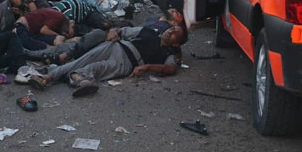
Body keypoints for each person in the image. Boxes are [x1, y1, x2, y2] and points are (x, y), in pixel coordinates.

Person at [28, 26, 185, 97]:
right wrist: (113, 32)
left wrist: (148, 66)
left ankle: (79, 78)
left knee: (97, 67)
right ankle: (47, 78)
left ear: (176, 43)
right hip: (115, 45)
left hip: (128, 62)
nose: (170, 31)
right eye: (172, 28)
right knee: (83, 60)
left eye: (175, 33)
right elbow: (121, 30)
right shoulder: (150, 31)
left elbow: (171, 69)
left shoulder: (168, 52)